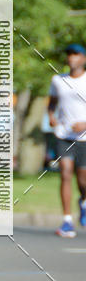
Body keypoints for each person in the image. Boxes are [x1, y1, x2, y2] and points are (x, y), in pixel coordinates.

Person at [47, 43, 86, 238]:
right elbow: (52, 103)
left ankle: (84, 201)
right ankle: (67, 221)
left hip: (84, 138)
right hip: (63, 135)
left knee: (83, 179)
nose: (71, 58)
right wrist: (51, 116)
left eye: (76, 54)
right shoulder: (58, 80)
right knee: (65, 173)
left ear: (83, 58)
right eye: (69, 54)